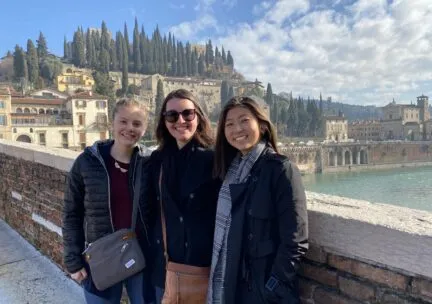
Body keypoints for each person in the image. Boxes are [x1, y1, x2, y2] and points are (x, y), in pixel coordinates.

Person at [208, 96, 308, 304]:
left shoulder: (280, 169)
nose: (237, 129)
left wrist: (272, 287)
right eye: (229, 124)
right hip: (235, 285)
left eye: (244, 120)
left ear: (262, 125)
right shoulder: (230, 172)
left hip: (263, 292)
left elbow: (295, 240)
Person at [62, 98, 154, 304]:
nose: (129, 128)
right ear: (112, 122)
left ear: (145, 129)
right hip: (101, 257)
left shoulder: (150, 163)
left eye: (137, 124)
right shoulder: (87, 162)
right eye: (123, 121)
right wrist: (73, 261)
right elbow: (71, 213)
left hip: (141, 255)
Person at [146, 89, 220, 303]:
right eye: (172, 115)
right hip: (165, 265)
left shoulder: (215, 159)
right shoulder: (156, 160)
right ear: (164, 121)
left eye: (187, 114)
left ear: (198, 117)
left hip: (203, 266)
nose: (180, 120)